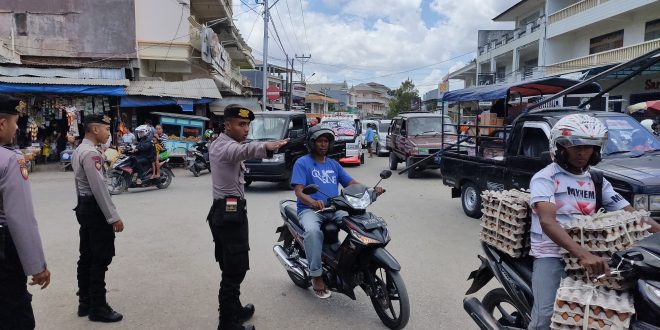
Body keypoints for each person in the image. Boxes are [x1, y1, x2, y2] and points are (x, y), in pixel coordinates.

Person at [528, 114, 659, 329]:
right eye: (575, 147)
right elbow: (547, 222)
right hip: (552, 253)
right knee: (546, 318)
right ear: (561, 147)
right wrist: (583, 255)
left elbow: (633, 215)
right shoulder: (545, 178)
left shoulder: (597, 180)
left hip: (591, 253)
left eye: (589, 147)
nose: (582, 153)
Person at [208, 105, 288, 330]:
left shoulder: (225, 143)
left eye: (248, 125)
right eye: (241, 124)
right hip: (228, 214)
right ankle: (227, 323)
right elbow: (241, 152)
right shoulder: (225, 147)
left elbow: (241, 150)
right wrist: (266, 146)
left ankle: (235, 309)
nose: (246, 129)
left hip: (228, 211)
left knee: (233, 265)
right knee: (234, 269)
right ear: (227, 125)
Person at [290, 125, 385, 299]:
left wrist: (370, 189)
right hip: (310, 211)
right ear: (312, 143)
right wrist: (312, 202)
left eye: (326, 141)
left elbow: (350, 183)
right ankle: (316, 275)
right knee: (312, 232)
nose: (323, 144)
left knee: (358, 225)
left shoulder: (333, 164)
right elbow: (299, 190)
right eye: (319, 141)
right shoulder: (302, 162)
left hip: (334, 209)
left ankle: (353, 263)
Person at [0, 95, 50, 329]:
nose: (17, 127)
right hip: (4, 252)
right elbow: (21, 218)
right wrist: (37, 266)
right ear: (2, 123)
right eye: (15, 121)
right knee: (15, 316)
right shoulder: (11, 160)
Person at [71, 114, 125, 323]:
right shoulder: (91, 154)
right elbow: (99, 188)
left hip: (85, 207)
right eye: (105, 129)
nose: (108, 133)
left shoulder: (79, 150)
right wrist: (113, 217)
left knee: (86, 255)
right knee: (99, 258)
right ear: (94, 130)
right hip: (95, 210)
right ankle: (98, 307)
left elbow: (80, 185)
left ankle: (85, 302)